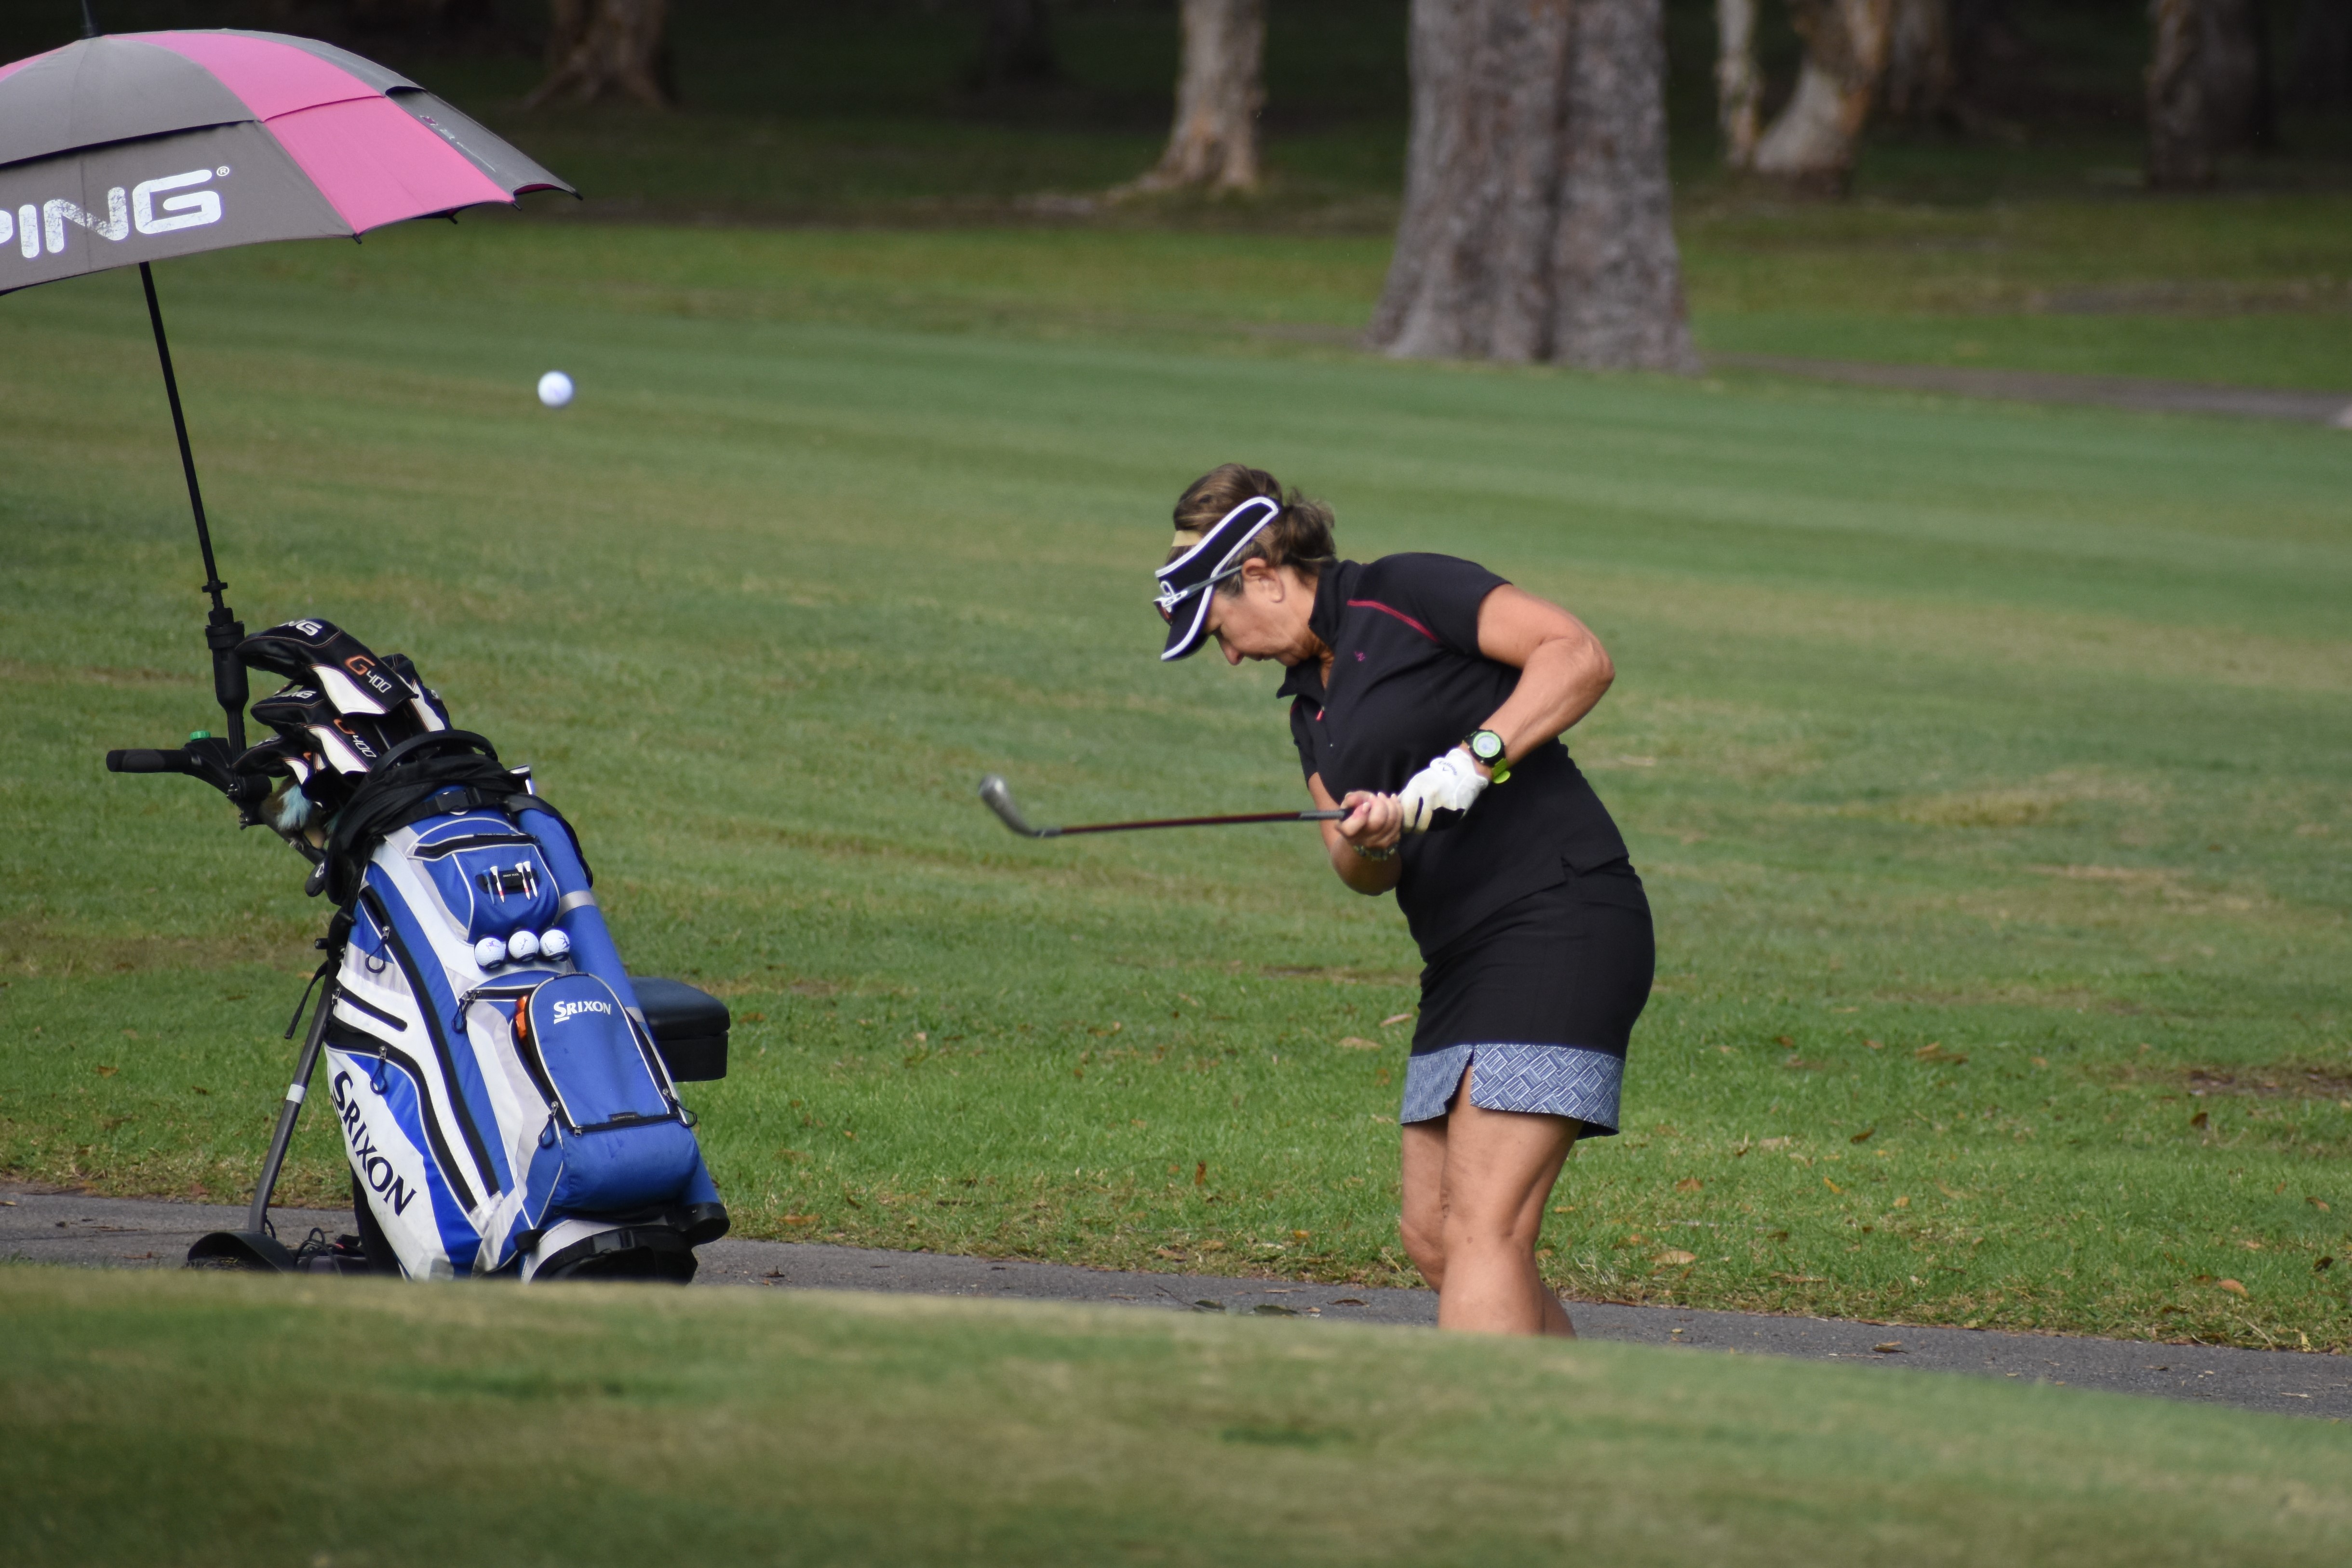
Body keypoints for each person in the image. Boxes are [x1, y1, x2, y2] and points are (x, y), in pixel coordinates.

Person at [1154, 464, 1653, 1337]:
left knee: (1484, 1227)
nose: (1227, 655)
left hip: (1558, 915)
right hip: (1460, 960)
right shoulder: (1309, 709)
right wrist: (1375, 836)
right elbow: (1359, 872)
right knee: (1435, 1237)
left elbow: (1578, 655)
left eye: (1218, 627)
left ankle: (1479, 1422)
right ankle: (1568, 1411)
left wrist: (1470, 763)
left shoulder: (1406, 592)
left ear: (1262, 575)